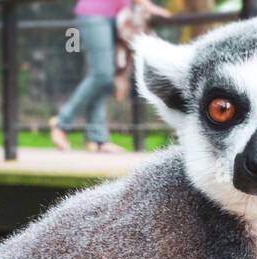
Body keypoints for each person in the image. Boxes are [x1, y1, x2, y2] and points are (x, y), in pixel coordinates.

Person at [50, 0, 171, 153]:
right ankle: (61, 123)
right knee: (102, 74)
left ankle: (97, 138)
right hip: (94, 12)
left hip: (117, 16)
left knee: (103, 79)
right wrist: (148, 6)